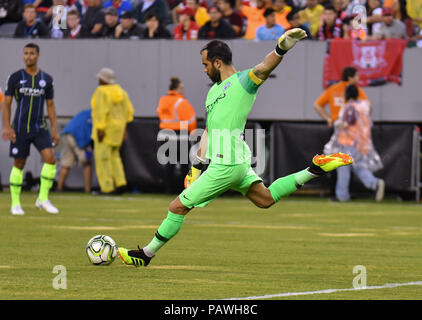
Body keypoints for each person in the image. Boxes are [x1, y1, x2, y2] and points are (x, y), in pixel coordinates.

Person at [116, 30, 354, 267]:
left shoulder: (243, 81)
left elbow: (264, 67)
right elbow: (208, 132)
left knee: (177, 207)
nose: (204, 69)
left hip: (225, 164)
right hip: (237, 161)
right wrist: (196, 168)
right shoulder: (212, 92)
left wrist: (282, 48)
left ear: (217, 62)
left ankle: (145, 255)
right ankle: (314, 169)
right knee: (266, 199)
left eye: (205, 64)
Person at [2, 43, 59, 215]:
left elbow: (50, 105)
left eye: (32, 53)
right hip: (20, 128)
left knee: (50, 159)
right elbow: (7, 103)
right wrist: (6, 127)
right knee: (19, 163)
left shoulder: (46, 79)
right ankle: (16, 203)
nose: (28, 56)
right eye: (25, 53)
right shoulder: (15, 77)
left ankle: (42, 198)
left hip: (39, 127)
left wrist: (54, 129)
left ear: (38, 56)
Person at [323, 85, 384, 202]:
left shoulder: (350, 107)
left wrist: (336, 123)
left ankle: (342, 196)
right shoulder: (364, 106)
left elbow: (347, 123)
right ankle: (374, 183)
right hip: (361, 143)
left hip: (349, 142)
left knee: (343, 167)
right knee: (359, 168)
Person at [91, 67, 134, 195]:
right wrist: (124, 129)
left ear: (103, 79)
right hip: (118, 130)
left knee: (103, 159)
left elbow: (100, 111)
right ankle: (121, 183)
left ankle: (107, 187)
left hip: (105, 130)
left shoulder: (101, 92)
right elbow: (129, 112)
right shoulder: (122, 92)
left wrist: (100, 128)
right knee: (115, 157)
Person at [157, 77, 197, 193]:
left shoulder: (163, 100)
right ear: (177, 89)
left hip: (165, 135)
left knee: (170, 164)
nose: (183, 90)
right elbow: (190, 120)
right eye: (182, 88)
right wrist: (192, 131)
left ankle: (169, 189)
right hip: (180, 136)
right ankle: (184, 188)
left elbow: (160, 114)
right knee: (184, 164)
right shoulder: (181, 102)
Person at [57, 109, 93, 193]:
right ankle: (88, 190)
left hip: (67, 134)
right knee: (87, 163)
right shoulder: (96, 115)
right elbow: (87, 133)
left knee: (66, 163)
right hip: (77, 137)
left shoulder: (86, 112)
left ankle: (59, 188)